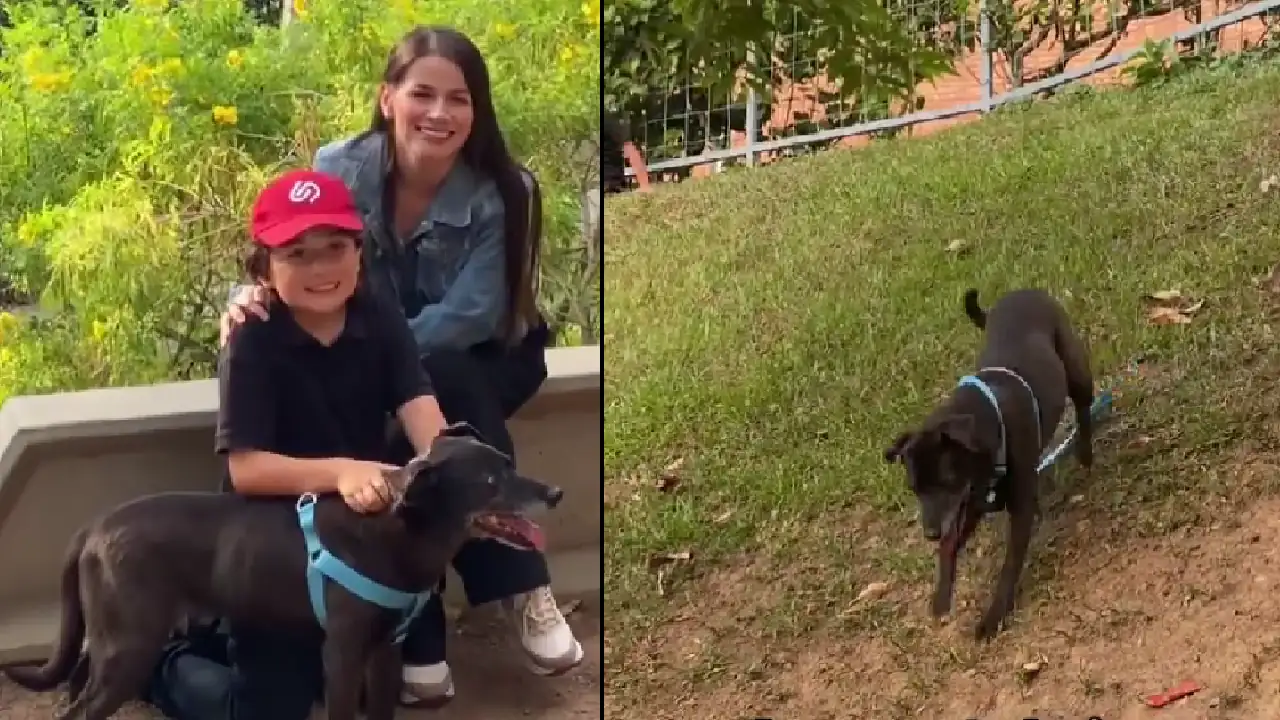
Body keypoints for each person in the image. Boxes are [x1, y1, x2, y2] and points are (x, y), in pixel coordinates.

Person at [216, 25, 584, 708]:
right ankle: (415, 634)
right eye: (422, 94)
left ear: (477, 112)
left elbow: (472, 314)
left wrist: (367, 350)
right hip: (373, 344)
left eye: (459, 99)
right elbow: (292, 248)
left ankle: (518, 582)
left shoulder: (505, 188)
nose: (439, 114)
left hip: (487, 353)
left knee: (443, 387)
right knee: (401, 445)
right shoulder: (339, 166)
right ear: (388, 99)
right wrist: (256, 299)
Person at [145, 168, 450, 720]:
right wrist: (341, 471)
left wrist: (446, 465)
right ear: (263, 267)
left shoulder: (377, 314)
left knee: (359, 683)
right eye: (297, 254)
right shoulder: (252, 338)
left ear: (360, 252)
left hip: (354, 538)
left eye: (336, 248)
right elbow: (246, 470)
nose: (321, 268)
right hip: (271, 552)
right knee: (267, 710)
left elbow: (419, 404)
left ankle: (233, 644)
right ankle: (163, 665)